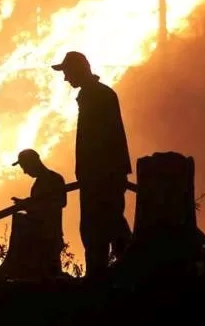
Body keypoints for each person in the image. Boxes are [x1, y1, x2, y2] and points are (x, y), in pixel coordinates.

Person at [51, 51, 133, 278]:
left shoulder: (97, 96)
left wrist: (102, 174)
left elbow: (104, 139)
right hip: (98, 176)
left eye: (67, 72)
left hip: (101, 177)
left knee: (101, 226)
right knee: (106, 224)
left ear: (78, 69)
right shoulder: (96, 95)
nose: (66, 78)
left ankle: (108, 276)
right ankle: (120, 272)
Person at [11, 149, 68, 277]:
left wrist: (29, 205)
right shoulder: (38, 184)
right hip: (39, 238)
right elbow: (39, 204)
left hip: (49, 236)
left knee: (50, 275)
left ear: (34, 162)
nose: (25, 171)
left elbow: (60, 202)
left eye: (25, 166)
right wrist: (26, 203)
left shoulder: (55, 179)